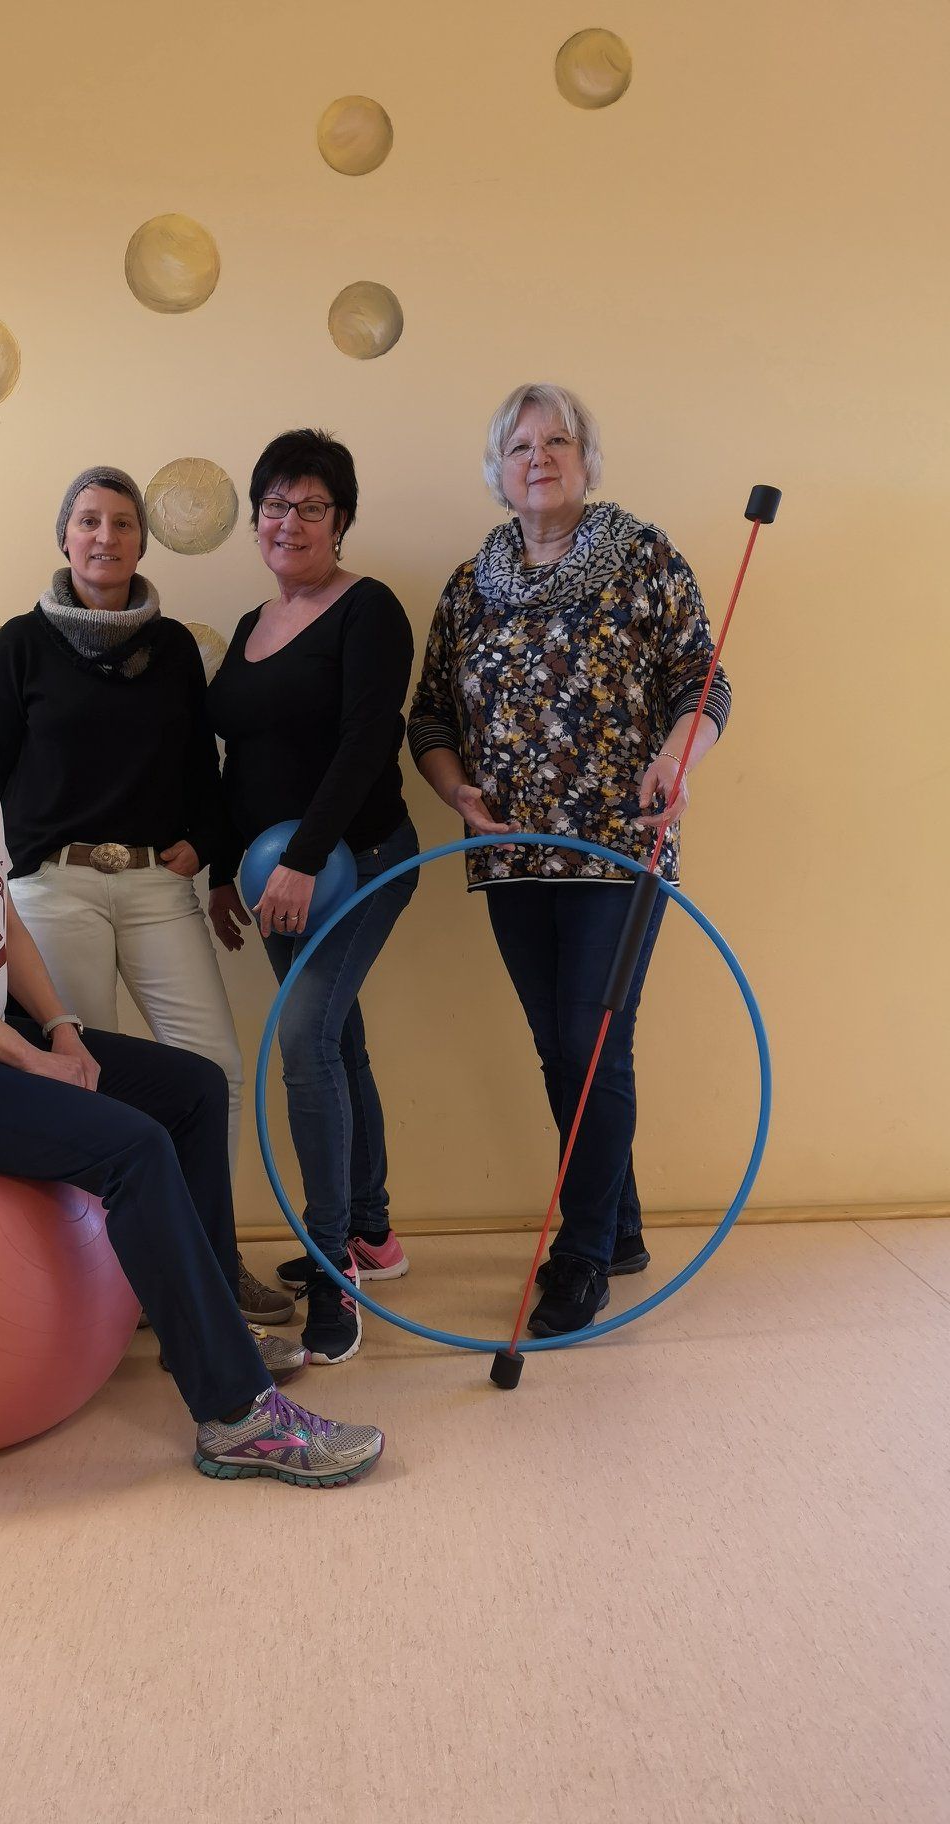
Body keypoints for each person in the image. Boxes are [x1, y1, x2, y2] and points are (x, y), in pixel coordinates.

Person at [0, 562, 383, 1487]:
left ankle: (212, 1327)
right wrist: (22, 1057)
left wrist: (64, 1029)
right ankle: (235, 1417)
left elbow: (1, 921)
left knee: (192, 1087)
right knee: (131, 1146)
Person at [408, 382, 732, 1337]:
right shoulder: (470, 584)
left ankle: (582, 1252)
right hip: (512, 857)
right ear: (498, 471)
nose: (539, 458)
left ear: (586, 459)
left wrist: (677, 757)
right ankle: (619, 1224)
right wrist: (457, 793)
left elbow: (704, 680)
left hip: (617, 848)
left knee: (592, 1045)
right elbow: (430, 717)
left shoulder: (642, 555)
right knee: (560, 1046)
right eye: (520, 446)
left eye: (557, 441)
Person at [0, 466, 291, 1326]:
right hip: (54, 889)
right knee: (82, 1082)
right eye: (88, 521)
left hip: (156, 884)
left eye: (121, 523)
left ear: (142, 543)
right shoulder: (20, 645)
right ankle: (109, 1281)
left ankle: (209, 1264)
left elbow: (197, 765)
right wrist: (4, 879)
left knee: (214, 1071)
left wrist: (212, 851)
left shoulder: (175, 646)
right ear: (64, 537)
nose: (104, 537)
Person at [207, 430, 417, 1366]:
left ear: (342, 520)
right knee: (338, 1039)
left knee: (304, 1041)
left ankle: (335, 1274)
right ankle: (371, 1232)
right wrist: (226, 869)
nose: (289, 522)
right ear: (257, 518)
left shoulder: (370, 610)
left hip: (360, 861)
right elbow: (236, 758)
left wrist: (302, 857)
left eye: (312, 506)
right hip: (275, 878)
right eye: (275, 505)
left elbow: (369, 739)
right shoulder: (251, 622)